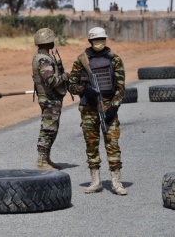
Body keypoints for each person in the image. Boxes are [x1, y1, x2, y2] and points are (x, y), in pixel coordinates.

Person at [68, 27, 127, 195]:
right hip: (89, 108)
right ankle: (96, 181)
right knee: (91, 144)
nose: (99, 43)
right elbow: (71, 84)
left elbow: (121, 87)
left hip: (108, 105)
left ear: (106, 40)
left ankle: (116, 181)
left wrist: (114, 107)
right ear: (90, 41)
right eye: (96, 40)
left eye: (101, 39)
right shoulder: (81, 60)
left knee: (112, 144)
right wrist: (84, 90)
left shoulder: (114, 59)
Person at [31, 28, 70, 170]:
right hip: (49, 98)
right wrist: (65, 76)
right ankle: (41, 161)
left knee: (52, 129)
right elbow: (51, 81)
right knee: (48, 129)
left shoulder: (44, 57)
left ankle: (46, 159)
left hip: (51, 98)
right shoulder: (44, 59)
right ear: (49, 42)